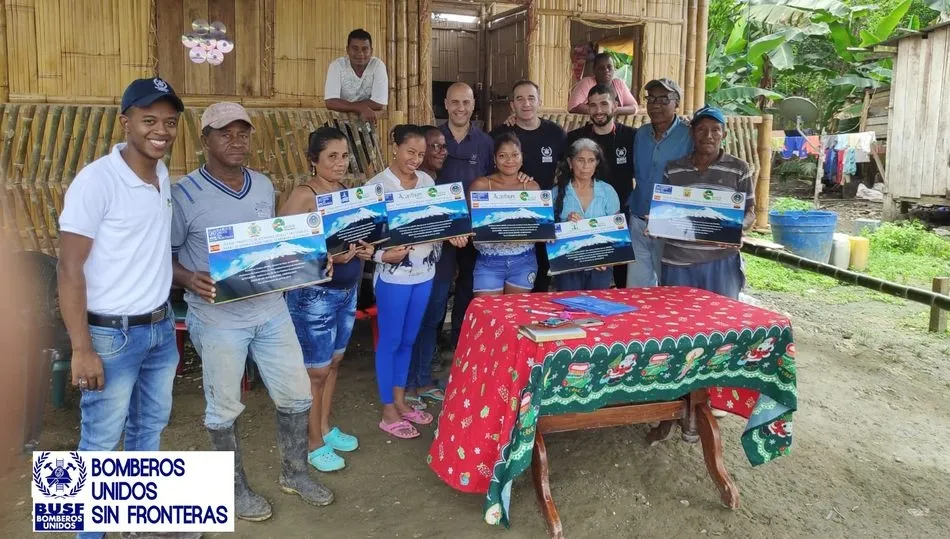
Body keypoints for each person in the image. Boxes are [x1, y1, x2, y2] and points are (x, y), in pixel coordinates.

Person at [171, 102, 333, 521]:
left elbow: (275, 244)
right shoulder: (183, 194)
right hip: (218, 318)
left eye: (243, 133)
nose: (236, 141)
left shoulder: (262, 185)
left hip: (271, 310)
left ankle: (295, 472)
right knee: (224, 407)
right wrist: (189, 278)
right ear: (204, 139)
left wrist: (310, 261)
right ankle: (235, 488)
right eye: (225, 133)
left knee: (297, 395)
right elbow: (163, 256)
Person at [57, 78, 193, 539]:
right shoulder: (96, 181)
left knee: (147, 434)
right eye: (149, 120)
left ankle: (137, 526)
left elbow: (148, 253)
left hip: (158, 329)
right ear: (126, 122)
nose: (161, 130)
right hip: (109, 337)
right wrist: (81, 348)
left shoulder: (161, 176)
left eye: (170, 123)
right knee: (97, 444)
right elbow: (69, 269)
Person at [278, 127, 374, 473]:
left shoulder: (347, 193)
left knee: (333, 364)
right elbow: (283, 246)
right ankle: (311, 442)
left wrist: (365, 249)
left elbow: (356, 235)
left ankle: (324, 427)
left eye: (345, 155)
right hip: (313, 296)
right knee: (315, 372)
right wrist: (326, 258)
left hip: (346, 293)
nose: (340, 162)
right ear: (313, 161)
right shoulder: (305, 195)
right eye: (332, 156)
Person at [367, 124, 469, 439]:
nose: (415, 159)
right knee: (391, 341)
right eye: (410, 151)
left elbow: (437, 222)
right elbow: (358, 242)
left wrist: (455, 233)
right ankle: (387, 411)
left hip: (425, 273)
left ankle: (400, 401)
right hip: (394, 280)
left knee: (409, 340)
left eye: (421, 154)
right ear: (394, 147)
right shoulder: (377, 187)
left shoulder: (427, 181)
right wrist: (381, 257)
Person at [659, 106, 754, 299]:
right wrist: (657, 223)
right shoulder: (674, 169)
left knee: (721, 322)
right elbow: (666, 211)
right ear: (692, 133)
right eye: (701, 129)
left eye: (715, 129)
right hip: (678, 261)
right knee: (679, 322)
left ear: (724, 134)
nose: (708, 135)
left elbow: (750, 212)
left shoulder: (739, 169)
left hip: (721, 262)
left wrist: (736, 229)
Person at [490, 80, 566, 292]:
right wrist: (512, 174)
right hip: (509, 216)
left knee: (542, 272)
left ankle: (536, 322)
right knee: (510, 272)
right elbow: (490, 170)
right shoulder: (500, 134)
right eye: (520, 99)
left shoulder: (555, 133)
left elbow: (567, 169)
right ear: (512, 105)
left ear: (539, 101)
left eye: (531, 98)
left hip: (543, 214)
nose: (526, 104)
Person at [435, 82, 493, 346]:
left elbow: (495, 180)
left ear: (473, 105)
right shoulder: (432, 139)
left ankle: (462, 342)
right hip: (439, 230)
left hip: (474, 228)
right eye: (455, 102)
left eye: (466, 102)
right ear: (446, 104)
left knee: (468, 288)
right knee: (438, 288)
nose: (460, 108)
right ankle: (432, 345)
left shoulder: (486, 142)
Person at [566, 84, 636, 288]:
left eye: (604, 104)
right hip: (582, 220)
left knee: (622, 280)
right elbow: (563, 176)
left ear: (615, 105)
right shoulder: (575, 139)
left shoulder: (631, 137)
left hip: (620, 219)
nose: (598, 110)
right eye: (593, 105)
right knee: (580, 282)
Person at [626, 78, 692, 288]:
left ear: (677, 103)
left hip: (669, 224)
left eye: (664, 99)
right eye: (651, 98)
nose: (656, 104)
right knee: (637, 289)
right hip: (638, 219)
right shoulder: (641, 134)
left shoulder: (689, 135)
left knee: (668, 288)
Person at [469, 132, 541, 297]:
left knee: (514, 314)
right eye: (503, 155)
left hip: (524, 261)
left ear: (522, 157)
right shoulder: (480, 185)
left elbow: (540, 226)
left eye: (515, 155)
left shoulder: (531, 188)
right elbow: (466, 222)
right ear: (494, 159)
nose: (510, 161)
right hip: (488, 262)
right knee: (487, 313)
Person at [550, 138, 620, 291]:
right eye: (580, 160)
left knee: (597, 308)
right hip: (568, 266)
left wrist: (608, 259)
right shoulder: (557, 193)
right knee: (571, 308)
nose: (585, 166)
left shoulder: (608, 192)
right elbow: (548, 234)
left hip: (600, 267)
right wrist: (565, 226)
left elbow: (617, 233)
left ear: (597, 163)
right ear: (570, 162)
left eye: (591, 160)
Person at [324, 28, 389, 122]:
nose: (360, 54)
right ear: (347, 50)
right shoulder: (337, 66)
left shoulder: (377, 66)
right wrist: (361, 108)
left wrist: (347, 105)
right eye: (355, 49)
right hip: (338, 124)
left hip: (365, 126)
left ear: (371, 51)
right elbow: (330, 102)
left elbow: (379, 103)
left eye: (365, 49)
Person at [567, 52, 639, 115]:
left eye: (609, 67)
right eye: (601, 68)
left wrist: (615, 110)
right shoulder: (587, 83)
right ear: (594, 70)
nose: (606, 70)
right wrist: (603, 110)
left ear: (614, 68)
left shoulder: (619, 84)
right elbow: (573, 107)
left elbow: (634, 107)